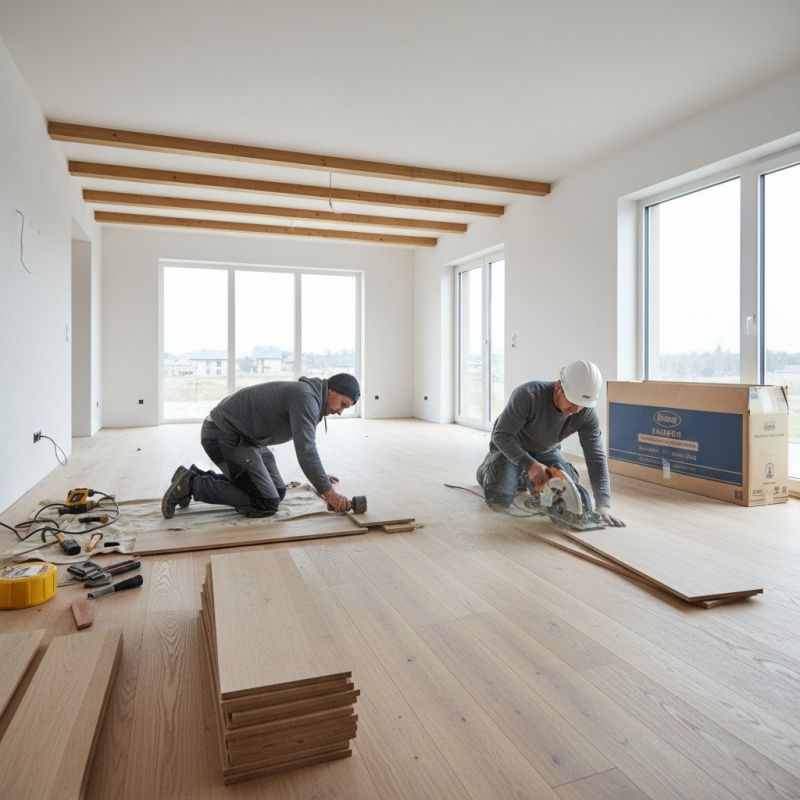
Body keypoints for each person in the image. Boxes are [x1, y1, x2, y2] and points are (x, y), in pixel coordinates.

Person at [161, 373, 360, 519]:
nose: (340, 411)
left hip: (246, 439)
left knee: (277, 492)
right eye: (343, 404)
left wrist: (320, 478)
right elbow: (306, 450)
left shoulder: (310, 397)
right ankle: (192, 485)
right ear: (333, 390)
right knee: (267, 501)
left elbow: (306, 447)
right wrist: (329, 493)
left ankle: (193, 477)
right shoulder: (306, 398)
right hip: (223, 435)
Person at [476, 360, 625, 527]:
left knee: (569, 484)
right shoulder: (528, 395)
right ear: (558, 387)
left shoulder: (586, 414)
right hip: (509, 447)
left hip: (545, 450)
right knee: (499, 498)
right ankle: (488, 469)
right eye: (572, 402)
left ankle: (524, 476)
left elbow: (596, 457)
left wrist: (603, 504)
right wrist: (530, 465)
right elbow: (501, 435)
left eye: (582, 406)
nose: (576, 410)